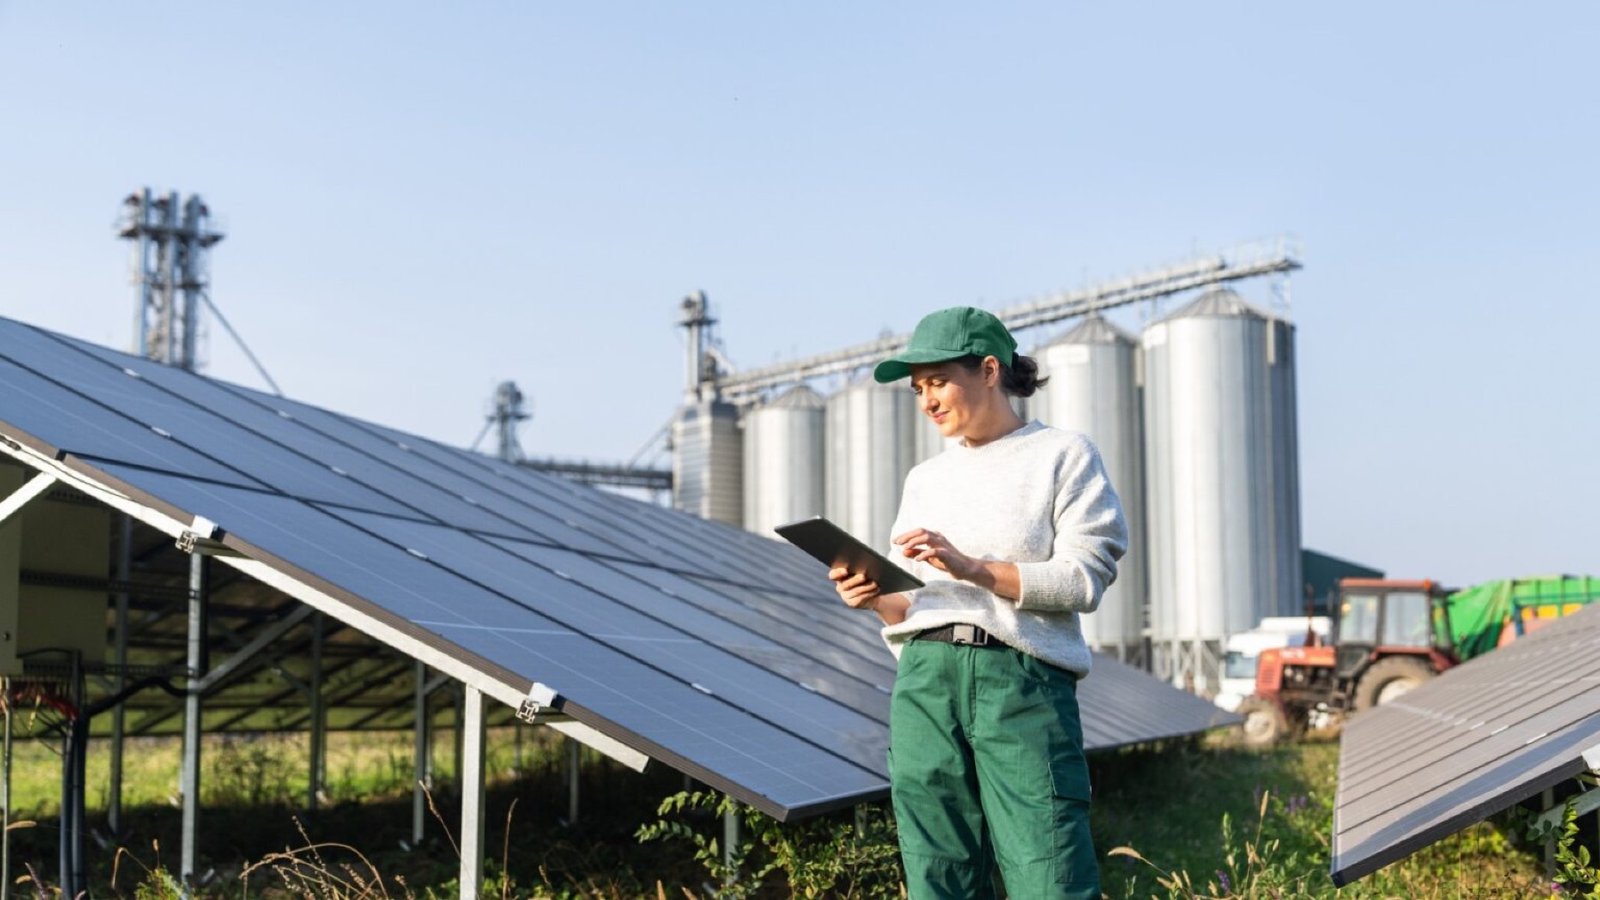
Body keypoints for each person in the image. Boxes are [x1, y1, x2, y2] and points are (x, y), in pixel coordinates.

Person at [829, 306, 1128, 899]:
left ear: (989, 369)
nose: (927, 401)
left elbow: (1084, 578)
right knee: (937, 872)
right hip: (924, 681)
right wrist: (874, 599)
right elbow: (916, 607)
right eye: (918, 389)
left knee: (1049, 870)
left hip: (1020, 681)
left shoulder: (1063, 455)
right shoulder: (925, 479)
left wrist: (975, 569)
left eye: (938, 381)